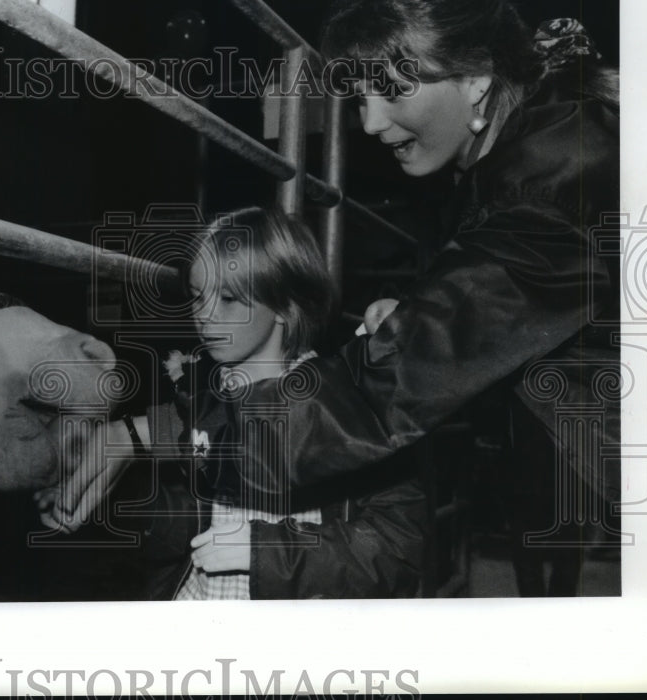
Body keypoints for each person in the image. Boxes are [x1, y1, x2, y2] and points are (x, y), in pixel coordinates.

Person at [52, 0, 621, 597]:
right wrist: (426, 314)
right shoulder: (541, 143)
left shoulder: (549, 183)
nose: (370, 122)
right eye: (360, 96)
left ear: (476, 79)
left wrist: (150, 435)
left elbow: (372, 402)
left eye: (393, 90)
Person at [40, 207, 425, 599]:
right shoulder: (199, 397)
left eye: (227, 298)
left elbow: (396, 552)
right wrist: (116, 496)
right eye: (197, 296)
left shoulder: (347, 406)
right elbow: (188, 523)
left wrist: (265, 551)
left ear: (286, 306)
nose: (204, 315)